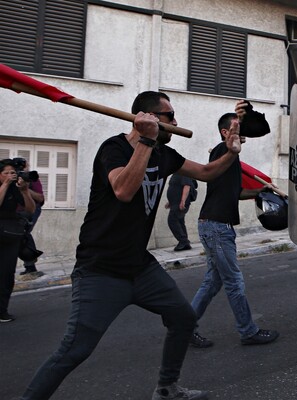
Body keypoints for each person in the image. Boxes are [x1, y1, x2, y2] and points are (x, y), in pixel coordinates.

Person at [20, 91, 241, 400]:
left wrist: (231, 153)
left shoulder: (165, 155)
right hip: (101, 268)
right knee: (75, 349)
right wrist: (147, 142)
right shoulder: (113, 149)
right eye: (169, 116)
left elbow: (206, 173)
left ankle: (167, 387)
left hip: (140, 267)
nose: (175, 122)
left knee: (183, 318)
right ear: (147, 118)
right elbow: (123, 189)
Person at [189, 105, 279, 348]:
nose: (241, 133)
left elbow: (235, 192)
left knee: (213, 282)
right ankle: (248, 331)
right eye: (235, 129)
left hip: (215, 224)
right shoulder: (222, 152)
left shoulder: (230, 158)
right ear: (224, 133)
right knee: (234, 281)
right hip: (216, 227)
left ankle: (184, 327)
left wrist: (260, 190)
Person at [0, 159, 36, 322]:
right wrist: (5, 184)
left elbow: (30, 209)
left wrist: (25, 190)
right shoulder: (5, 186)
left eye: (12, 173)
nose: (10, 176)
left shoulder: (16, 188)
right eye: (6, 173)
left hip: (9, 235)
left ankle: (2, 310)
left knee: (7, 273)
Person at [16, 158, 45, 275]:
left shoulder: (32, 179)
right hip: (14, 212)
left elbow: (40, 198)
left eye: (26, 166)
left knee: (24, 233)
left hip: (31, 210)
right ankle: (30, 264)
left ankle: (30, 264)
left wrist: (25, 188)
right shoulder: (9, 179)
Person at [165, 173, 197, 251]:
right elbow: (175, 188)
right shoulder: (176, 173)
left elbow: (187, 186)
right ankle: (185, 243)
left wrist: (183, 201)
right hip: (175, 203)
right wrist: (170, 201)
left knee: (172, 220)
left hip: (179, 203)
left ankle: (183, 241)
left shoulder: (184, 172)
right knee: (179, 221)